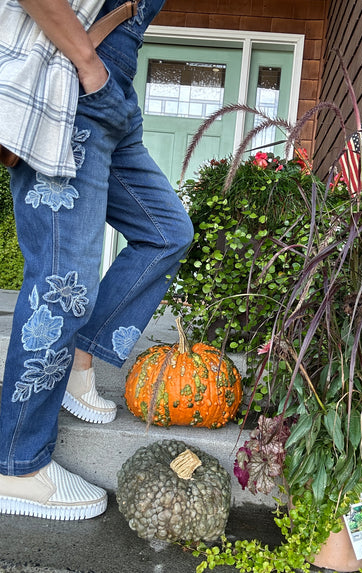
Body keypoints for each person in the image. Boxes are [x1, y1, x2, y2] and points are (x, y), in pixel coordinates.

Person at [0, 0, 194, 520]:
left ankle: (81, 358)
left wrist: (106, 82)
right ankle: (16, 465)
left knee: (167, 233)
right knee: (63, 283)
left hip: (112, 98)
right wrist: (89, 66)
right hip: (72, 86)